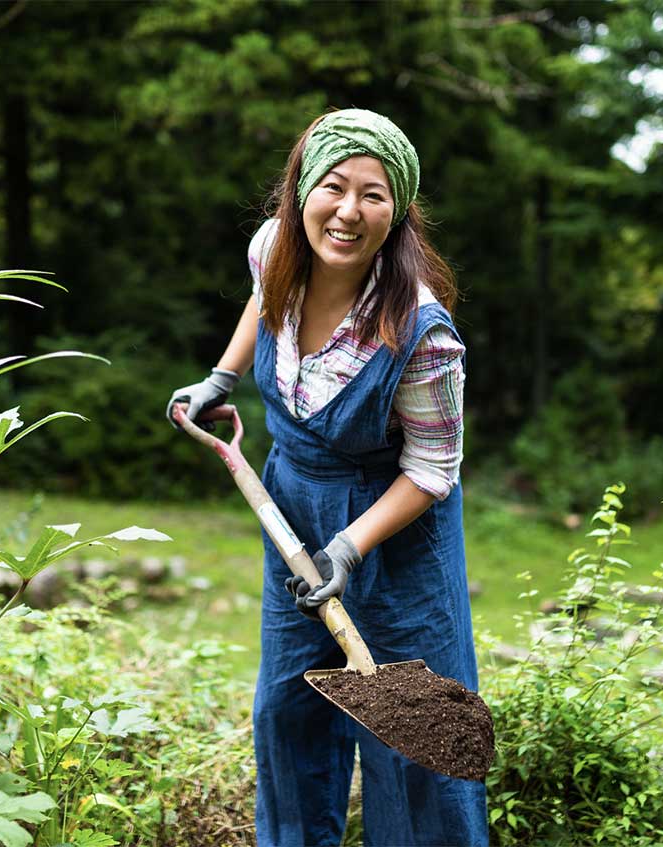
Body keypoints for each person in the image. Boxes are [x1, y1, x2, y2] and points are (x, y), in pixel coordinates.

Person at [167, 108, 487, 847]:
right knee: (288, 713)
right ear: (301, 189)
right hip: (294, 505)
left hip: (396, 534)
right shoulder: (274, 246)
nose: (348, 211)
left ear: (398, 211)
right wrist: (223, 376)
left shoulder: (421, 331)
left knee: (413, 737)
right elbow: (264, 297)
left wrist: (348, 548)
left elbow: (434, 467)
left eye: (373, 195)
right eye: (334, 187)